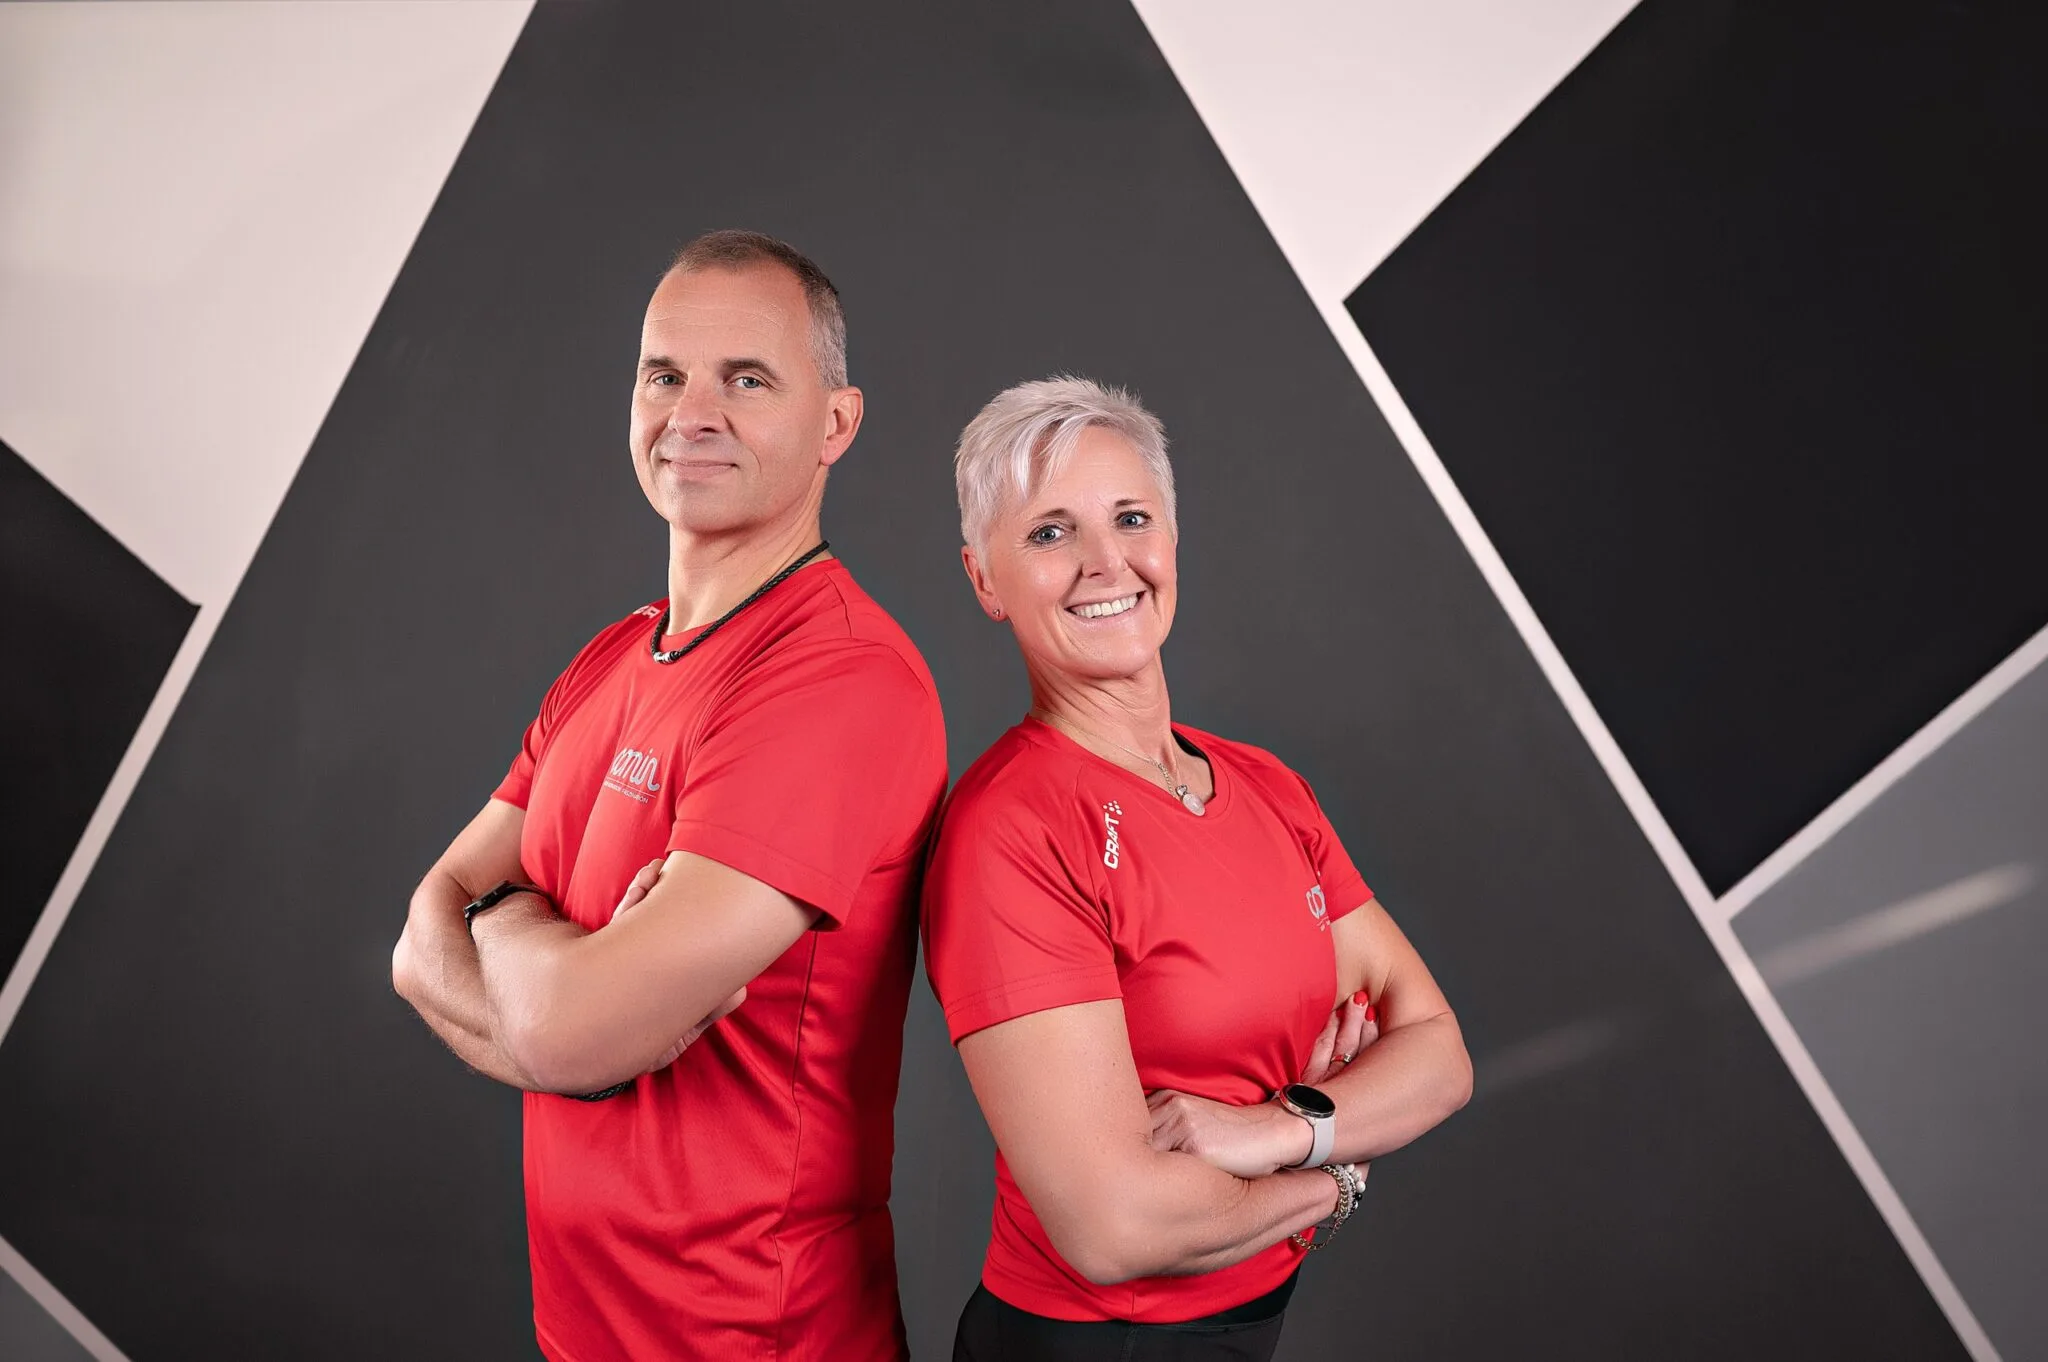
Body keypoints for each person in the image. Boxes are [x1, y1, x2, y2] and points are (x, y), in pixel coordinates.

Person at [390, 230, 946, 1361]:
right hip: (580, 1335)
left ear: (836, 423)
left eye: (745, 380)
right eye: (663, 375)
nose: (691, 414)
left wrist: (507, 929)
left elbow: (565, 1021)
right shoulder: (613, 657)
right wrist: (558, 1005)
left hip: (755, 1341)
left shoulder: (839, 678)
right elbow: (417, 945)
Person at [923, 377, 1473, 1360]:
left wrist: (1280, 1129)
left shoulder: (1266, 786)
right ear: (984, 580)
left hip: (1246, 1329)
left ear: (1170, 539)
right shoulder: (1012, 830)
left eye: (1131, 518)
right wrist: (1334, 1172)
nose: (1106, 562)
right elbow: (1113, 1229)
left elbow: (1436, 1054)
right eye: (1050, 532)